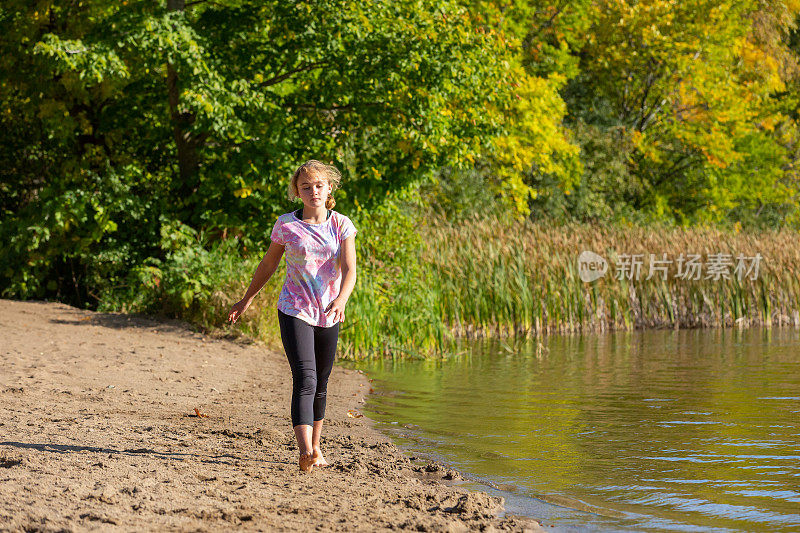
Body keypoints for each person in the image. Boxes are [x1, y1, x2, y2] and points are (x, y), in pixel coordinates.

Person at [227, 159, 357, 473]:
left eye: (318, 185)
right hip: (294, 309)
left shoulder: (340, 224)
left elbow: (350, 269)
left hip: (328, 312)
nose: (313, 191)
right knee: (306, 378)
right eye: (305, 186)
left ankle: (317, 447)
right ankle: (306, 450)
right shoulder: (286, 225)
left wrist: (341, 299)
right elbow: (268, 265)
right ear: (297, 192)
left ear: (329, 189)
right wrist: (247, 299)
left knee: (322, 383)